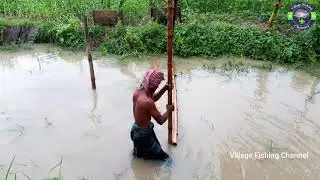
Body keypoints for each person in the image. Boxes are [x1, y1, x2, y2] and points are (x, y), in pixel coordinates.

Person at [130, 67, 174, 160]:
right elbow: (161, 120)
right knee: (165, 159)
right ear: (154, 87)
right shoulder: (147, 102)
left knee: (139, 155)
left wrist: (165, 88)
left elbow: (152, 98)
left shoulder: (137, 92)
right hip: (144, 134)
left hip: (135, 130)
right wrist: (169, 110)